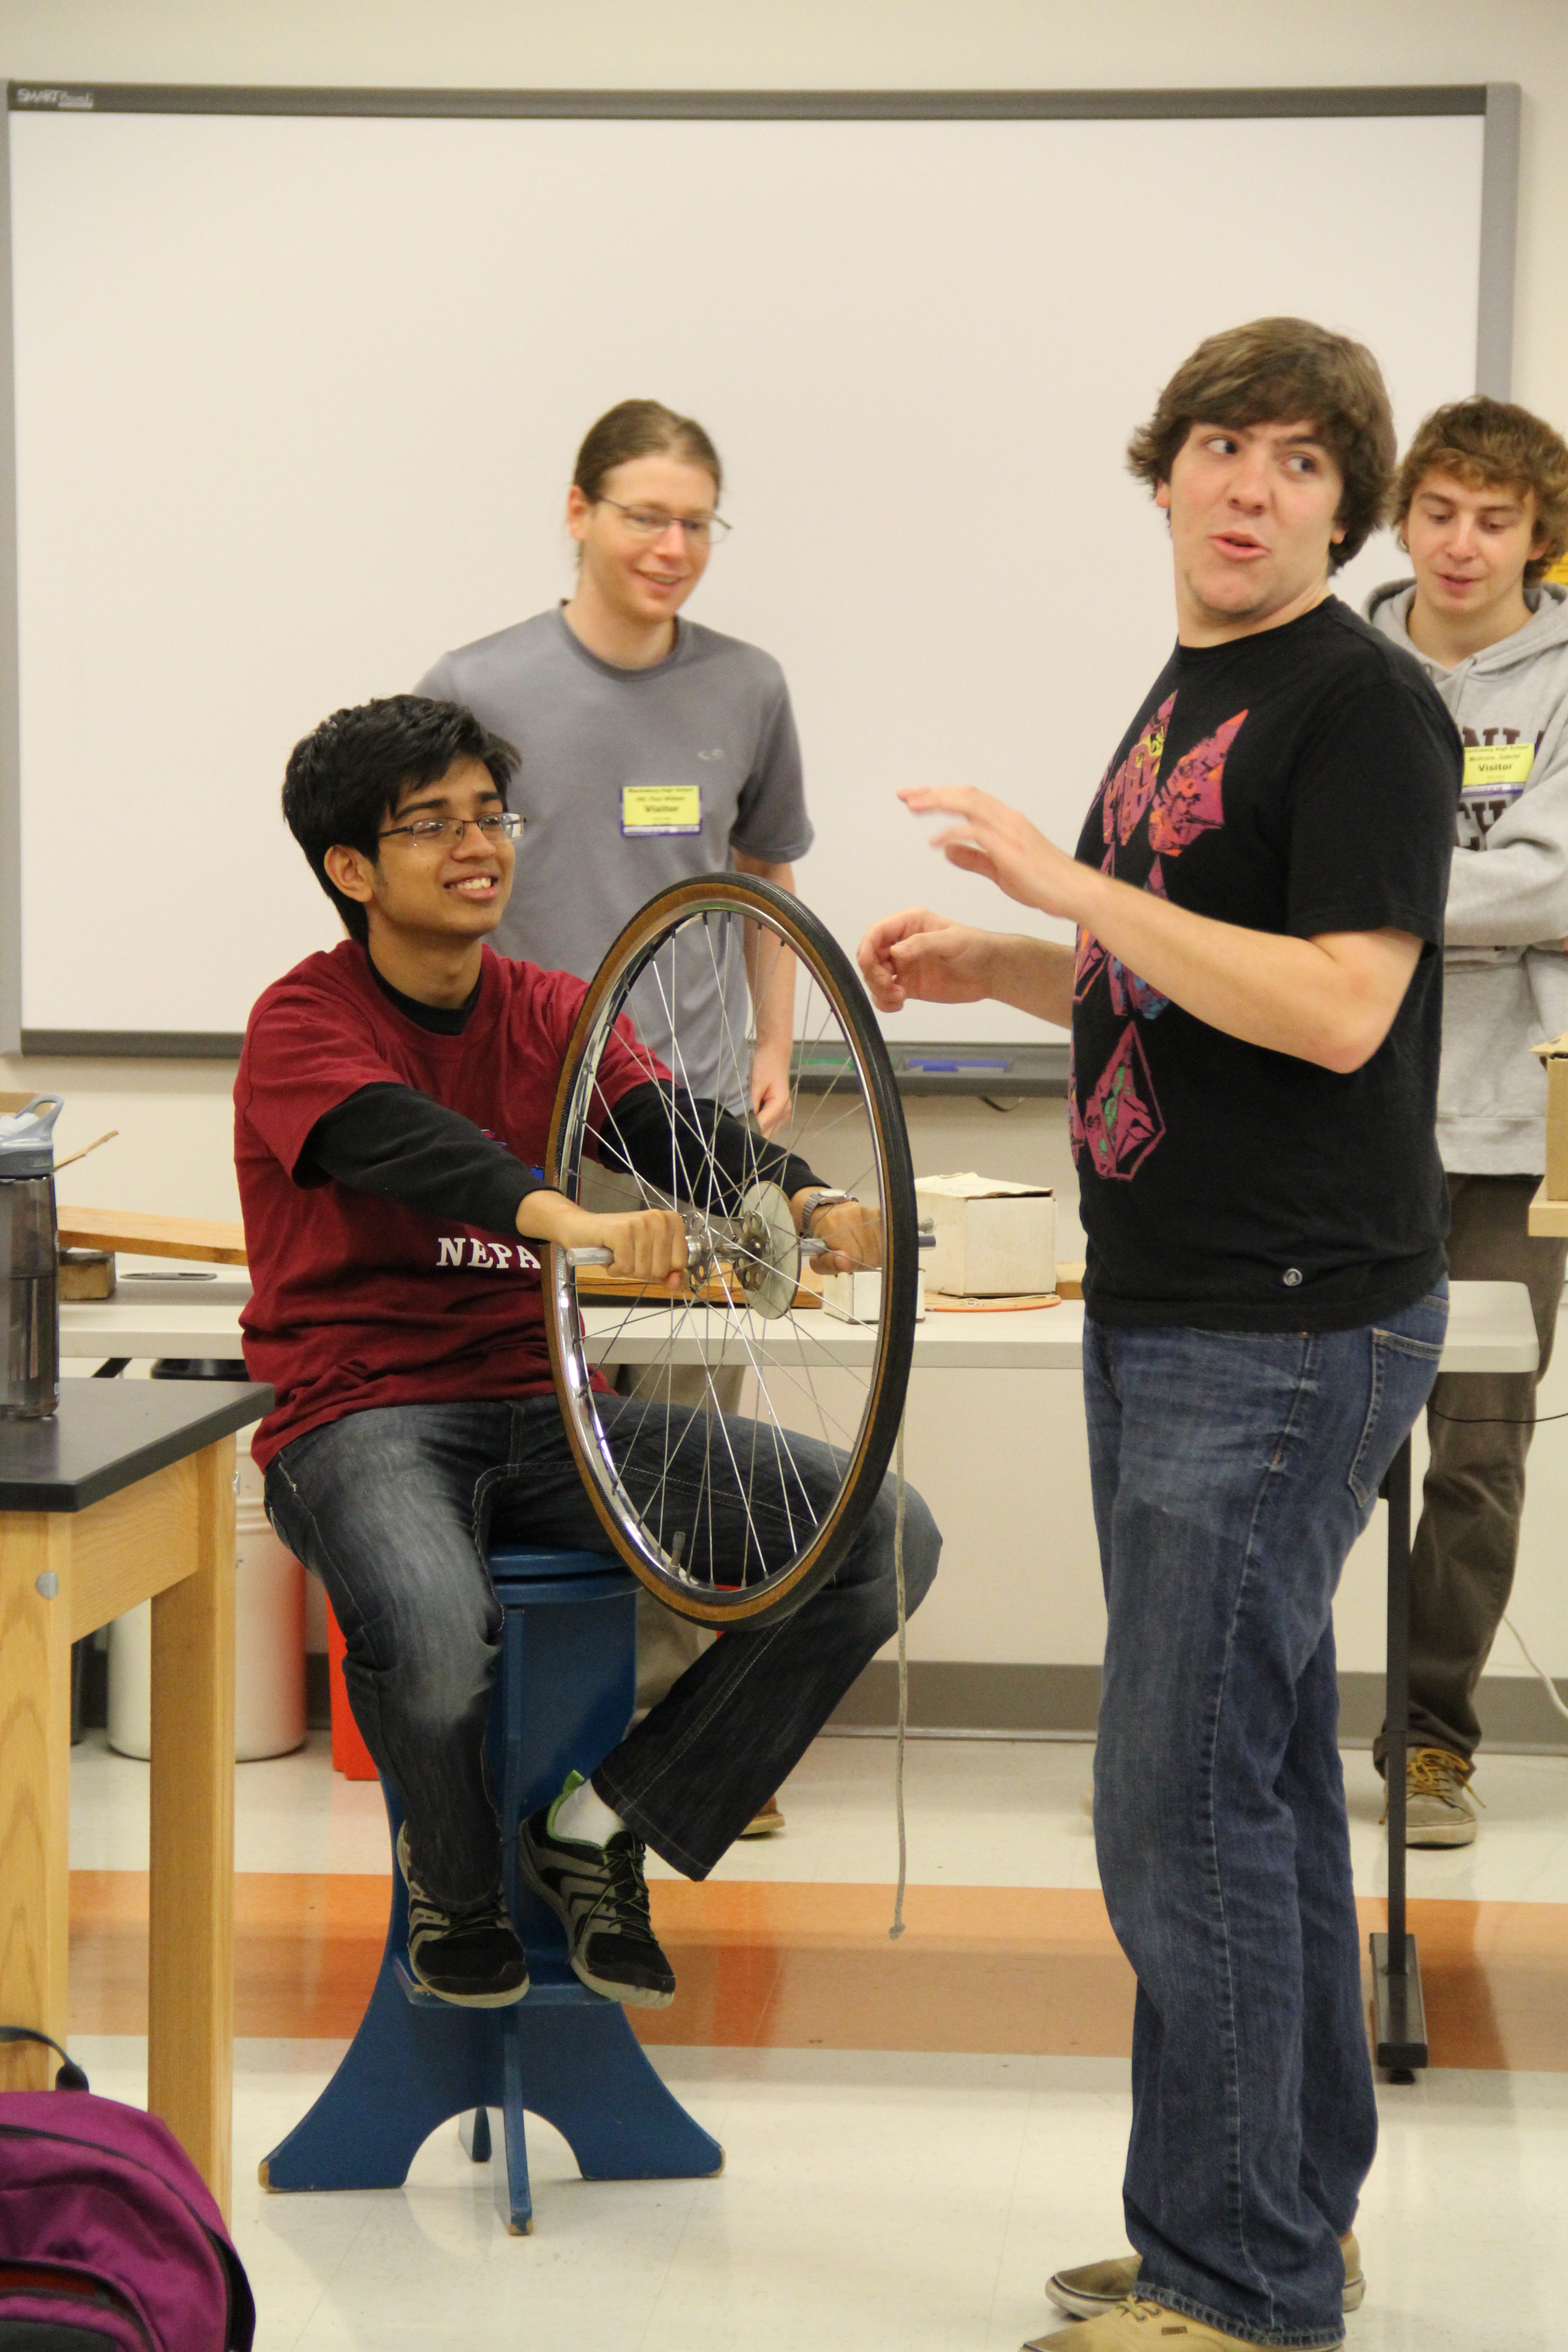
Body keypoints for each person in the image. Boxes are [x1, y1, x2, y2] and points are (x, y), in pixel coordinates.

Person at [859, 319, 1458, 2352]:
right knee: (1255, 1783)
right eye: (1220, 445)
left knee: (1179, 1798)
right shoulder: (1204, 678)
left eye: (1299, 462)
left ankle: (1238, 2282)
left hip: (1285, 1326)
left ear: (1341, 504)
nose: (1249, 486)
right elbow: (1191, 979)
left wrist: (1069, 885)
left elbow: (1338, 1008)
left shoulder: (1364, 702)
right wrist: (1020, 956)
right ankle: (1276, 2216)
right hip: (1180, 1303)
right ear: (1166, 468)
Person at [236, 692, 938, 2009]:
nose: (478, 844)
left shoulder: (554, 1007)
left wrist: (800, 1200)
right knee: (439, 1633)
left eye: (488, 814)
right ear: (349, 869)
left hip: (550, 1408)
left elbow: (674, 1130)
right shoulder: (300, 1021)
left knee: (880, 1538)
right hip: (360, 1414)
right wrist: (569, 1221)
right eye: (431, 823)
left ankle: (605, 1826)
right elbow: (404, 1141)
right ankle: (454, 1879)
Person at [417, 400, 813, 1806]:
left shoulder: (748, 685)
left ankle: (702, 1747)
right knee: (572, 1432)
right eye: (645, 514)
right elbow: (423, 889)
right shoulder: (481, 682)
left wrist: (771, 1048)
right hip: (533, 1131)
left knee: (713, 1445)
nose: (672, 545)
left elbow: (764, 881)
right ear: (576, 510)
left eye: (697, 521)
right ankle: (571, 1726)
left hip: (689, 1122)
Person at [1364, 397, 1568, 1844]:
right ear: (1403, 516)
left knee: (1481, 1459)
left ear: (1539, 537)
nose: (1462, 541)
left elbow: (1560, 883)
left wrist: (1364, 906)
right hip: (1345, 1119)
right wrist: (1466, 913)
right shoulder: (1337, 658)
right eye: (1439, 510)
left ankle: (1431, 1739)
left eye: (1494, 518)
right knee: (1301, 1456)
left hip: (1518, 1129)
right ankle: (1225, 1721)